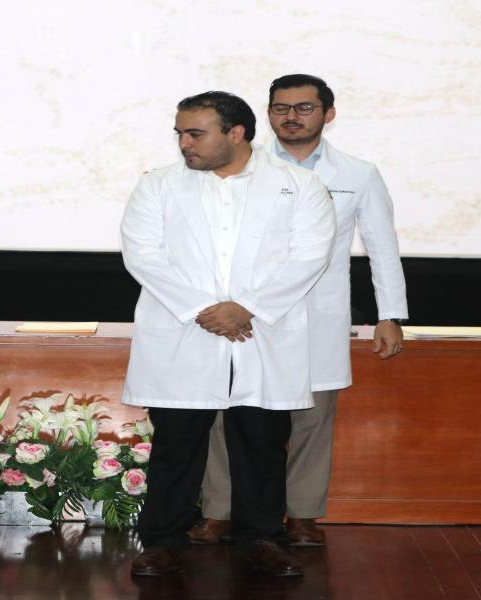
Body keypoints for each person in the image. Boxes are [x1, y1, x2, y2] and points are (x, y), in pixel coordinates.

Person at [121, 92, 335, 577]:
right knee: (177, 446)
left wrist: (247, 309)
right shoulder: (157, 186)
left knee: (260, 445)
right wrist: (204, 309)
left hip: (260, 333)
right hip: (185, 332)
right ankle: (162, 542)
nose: (184, 144)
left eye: (195, 133)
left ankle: (261, 539)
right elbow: (143, 254)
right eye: (179, 133)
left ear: (235, 133)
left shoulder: (298, 185)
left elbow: (308, 255)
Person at [189, 75, 408, 547]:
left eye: (304, 108)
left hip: (319, 316)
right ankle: (220, 511)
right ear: (266, 115)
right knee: (229, 412)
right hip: (247, 316)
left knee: (312, 418)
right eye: (280, 108)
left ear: (328, 114)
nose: (291, 117)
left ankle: (303, 514)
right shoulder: (243, 166)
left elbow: (382, 247)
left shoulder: (358, 173)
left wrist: (389, 314)